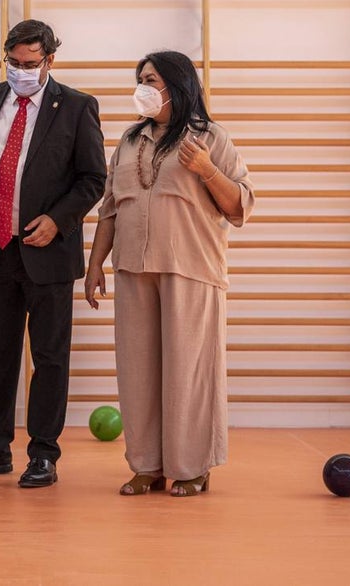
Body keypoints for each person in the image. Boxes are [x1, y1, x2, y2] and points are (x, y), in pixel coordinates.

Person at [0, 19, 106, 488]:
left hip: (47, 250)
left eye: (30, 64)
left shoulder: (76, 107)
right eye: (13, 62)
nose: (20, 71)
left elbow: (94, 178)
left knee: (50, 356)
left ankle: (43, 454)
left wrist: (59, 220)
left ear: (50, 60)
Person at [84, 50, 254, 497]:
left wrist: (207, 170)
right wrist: (95, 263)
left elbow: (239, 206)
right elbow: (109, 207)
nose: (142, 86)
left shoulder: (211, 138)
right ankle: (147, 465)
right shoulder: (129, 140)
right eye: (139, 78)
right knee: (137, 371)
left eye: (152, 79)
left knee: (188, 372)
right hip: (133, 269)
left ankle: (193, 465)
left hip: (191, 269)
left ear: (177, 85)